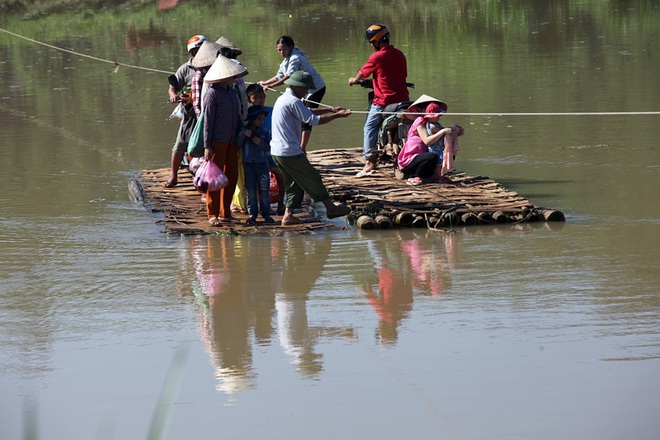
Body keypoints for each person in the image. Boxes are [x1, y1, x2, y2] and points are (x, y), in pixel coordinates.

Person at [270, 71, 352, 226]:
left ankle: (288, 216)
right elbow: (312, 120)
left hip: (277, 151)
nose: (307, 92)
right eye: (305, 88)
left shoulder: (285, 99)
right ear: (296, 86)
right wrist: (338, 116)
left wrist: (331, 109)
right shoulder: (293, 101)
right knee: (312, 177)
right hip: (289, 151)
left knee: (294, 183)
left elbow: (306, 112)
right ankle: (331, 208)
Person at [348, 24, 409, 177]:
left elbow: (362, 74)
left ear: (376, 42)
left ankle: (369, 161)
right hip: (403, 100)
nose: (370, 45)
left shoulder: (376, 57)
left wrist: (353, 80)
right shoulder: (400, 54)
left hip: (383, 102)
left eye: (371, 42)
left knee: (369, 127)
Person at [202, 54, 248, 226]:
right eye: (231, 76)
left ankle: (225, 213)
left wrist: (241, 133)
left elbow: (237, 117)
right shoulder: (212, 94)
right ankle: (212, 214)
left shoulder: (232, 93)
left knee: (231, 177)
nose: (234, 78)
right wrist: (207, 145)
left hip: (232, 141)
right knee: (214, 180)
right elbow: (208, 121)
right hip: (217, 142)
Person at [258, 36, 326, 150]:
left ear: (291, 47)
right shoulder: (286, 60)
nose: (281, 52)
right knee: (300, 116)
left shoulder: (295, 58)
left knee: (307, 118)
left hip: (315, 89)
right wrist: (266, 82)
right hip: (302, 90)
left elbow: (289, 76)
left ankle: (302, 148)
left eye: (283, 49)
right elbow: (280, 75)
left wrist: (271, 86)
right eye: (279, 50)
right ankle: (299, 145)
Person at [164, 34, 206, 188]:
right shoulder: (185, 69)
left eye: (199, 49)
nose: (197, 53)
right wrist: (174, 95)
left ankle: (205, 175)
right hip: (190, 113)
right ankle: (173, 175)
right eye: (194, 51)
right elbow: (172, 86)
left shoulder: (212, 65)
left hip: (208, 112)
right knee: (180, 144)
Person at [397, 100, 462, 186]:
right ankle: (416, 176)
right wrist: (442, 132)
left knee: (448, 153)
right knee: (432, 156)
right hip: (410, 160)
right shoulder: (420, 121)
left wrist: (455, 131)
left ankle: (434, 176)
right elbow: (427, 141)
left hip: (423, 159)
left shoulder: (432, 123)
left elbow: (444, 132)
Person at [246, 83, 285, 215]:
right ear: (249, 100)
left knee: (280, 175)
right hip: (256, 153)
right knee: (256, 180)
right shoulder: (248, 115)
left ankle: (281, 203)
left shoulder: (273, 111)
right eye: (254, 98)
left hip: (273, 149)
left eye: (261, 97)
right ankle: (257, 207)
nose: (258, 101)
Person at [237, 105, 275, 225]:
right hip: (248, 165)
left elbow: (270, 147)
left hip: (262, 164)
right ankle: (252, 214)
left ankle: (266, 214)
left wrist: (261, 143)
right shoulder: (244, 131)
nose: (261, 122)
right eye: (259, 119)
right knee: (251, 191)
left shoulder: (264, 132)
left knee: (264, 189)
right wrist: (243, 135)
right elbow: (238, 143)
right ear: (252, 119)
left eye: (263, 119)